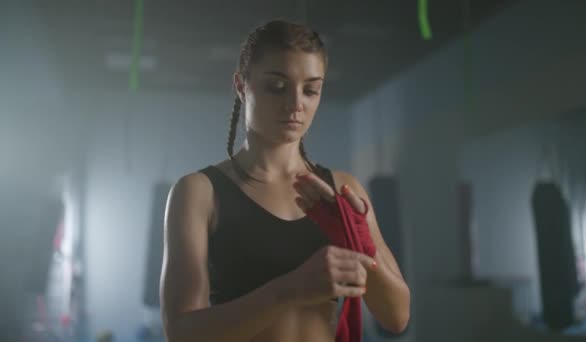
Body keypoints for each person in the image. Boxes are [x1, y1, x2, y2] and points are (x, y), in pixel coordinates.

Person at [160, 19, 410, 342]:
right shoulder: (198, 193)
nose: (296, 104)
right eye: (277, 87)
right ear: (241, 85)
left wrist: (358, 242)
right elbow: (180, 333)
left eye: (310, 90)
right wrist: (289, 290)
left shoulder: (343, 188)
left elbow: (398, 316)